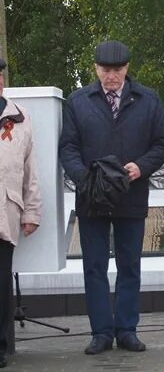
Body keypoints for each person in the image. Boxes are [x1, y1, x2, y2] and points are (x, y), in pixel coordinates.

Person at [59, 41, 164, 355]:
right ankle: (101, 333)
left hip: (131, 194)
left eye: (118, 69)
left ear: (127, 68)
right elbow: (67, 147)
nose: (112, 76)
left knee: (130, 265)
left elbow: (162, 143)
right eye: (105, 70)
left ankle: (126, 330)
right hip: (92, 198)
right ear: (95, 68)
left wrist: (142, 166)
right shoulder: (78, 101)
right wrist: (85, 178)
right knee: (94, 266)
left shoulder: (148, 99)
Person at [0, 58, 42, 369]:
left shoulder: (20, 116)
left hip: (6, 210)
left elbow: (31, 169)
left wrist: (31, 211)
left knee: (1, 282)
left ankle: (1, 346)